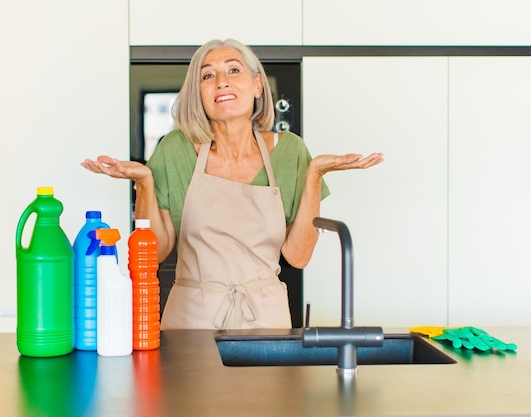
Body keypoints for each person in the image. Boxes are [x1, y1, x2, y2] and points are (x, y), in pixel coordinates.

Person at [81, 39, 383, 330]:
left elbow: (298, 256)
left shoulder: (290, 151)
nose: (221, 81)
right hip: (190, 320)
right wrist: (144, 181)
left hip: (266, 320)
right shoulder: (175, 149)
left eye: (233, 70)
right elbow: (156, 251)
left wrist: (315, 173)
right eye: (208, 75)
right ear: (199, 94)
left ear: (257, 85)